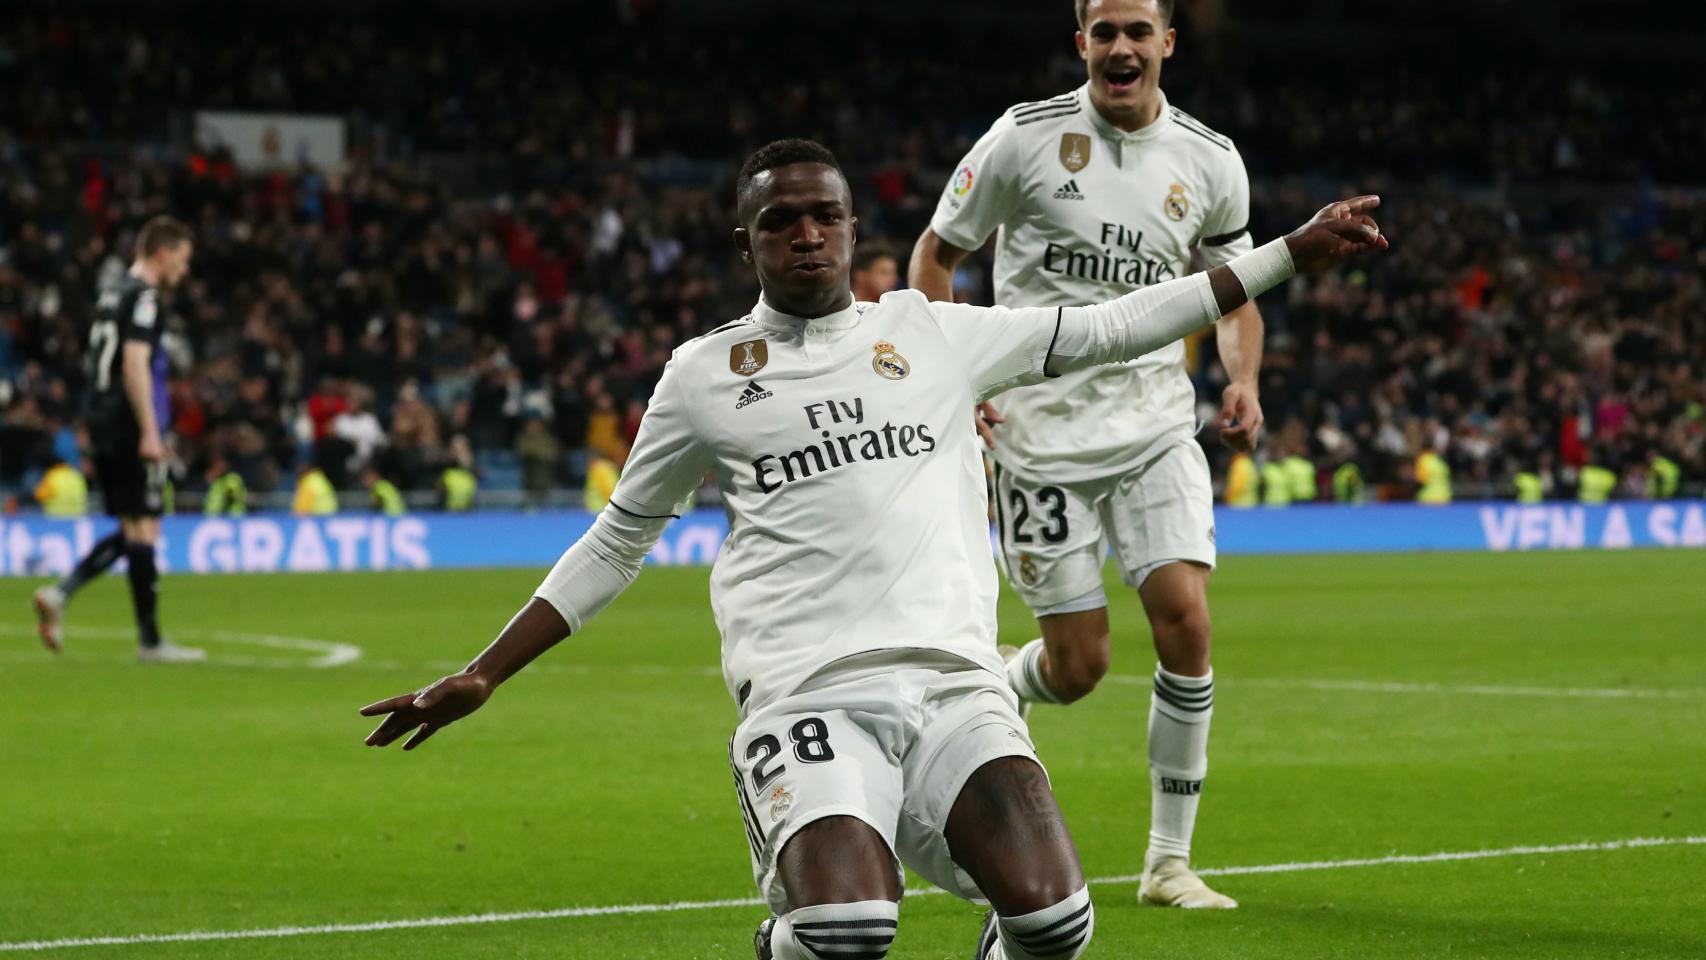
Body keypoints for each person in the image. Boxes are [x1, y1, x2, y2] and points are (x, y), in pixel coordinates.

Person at [359, 138, 1384, 960]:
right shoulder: (702, 375)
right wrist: (486, 672)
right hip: (806, 691)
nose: (804, 235)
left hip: (955, 686)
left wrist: (1283, 253)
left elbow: (1117, 323)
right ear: (744, 241)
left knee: (1054, 924)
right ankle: (785, 937)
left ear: (853, 229)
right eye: (778, 221)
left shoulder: (933, 333)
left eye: (822, 216)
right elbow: (620, 537)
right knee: (846, 931)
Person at [908, 0, 1266, 908]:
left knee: (1185, 619)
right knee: (1080, 667)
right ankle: (1005, 677)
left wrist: (1243, 380)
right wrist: (962, 382)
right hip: (1039, 439)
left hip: (1154, 425)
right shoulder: (1023, 140)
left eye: (1138, 31)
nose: (1121, 48)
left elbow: (1237, 291)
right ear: (1081, 46)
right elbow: (933, 258)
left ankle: (1167, 863)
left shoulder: (1212, 159)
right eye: (1104, 32)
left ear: (1166, 44)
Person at [31, 216, 204, 662]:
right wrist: (149, 430)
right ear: (162, 252)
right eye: (182, 260)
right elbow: (133, 363)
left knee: (135, 525)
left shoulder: (111, 292)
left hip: (103, 419)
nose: (184, 271)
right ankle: (150, 642)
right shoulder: (145, 297)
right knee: (143, 525)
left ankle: (63, 594)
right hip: (129, 423)